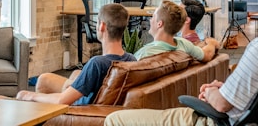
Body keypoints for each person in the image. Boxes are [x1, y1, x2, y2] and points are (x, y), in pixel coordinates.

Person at [104, 36, 258, 126]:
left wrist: (211, 92)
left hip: (216, 121)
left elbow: (221, 104)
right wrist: (227, 89)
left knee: (115, 119)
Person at [16, 3, 137, 105]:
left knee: (22, 94)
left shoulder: (97, 63)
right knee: (44, 79)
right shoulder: (131, 59)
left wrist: (28, 95)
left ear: (102, 26)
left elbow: (62, 100)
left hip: (80, 109)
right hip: (93, 100)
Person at [134, 0, 220, 62]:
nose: (150, 20)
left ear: (159, 24)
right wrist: (212, 43)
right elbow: (207, 55)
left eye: (153, 17)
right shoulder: (184, 44)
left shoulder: (143, 54)